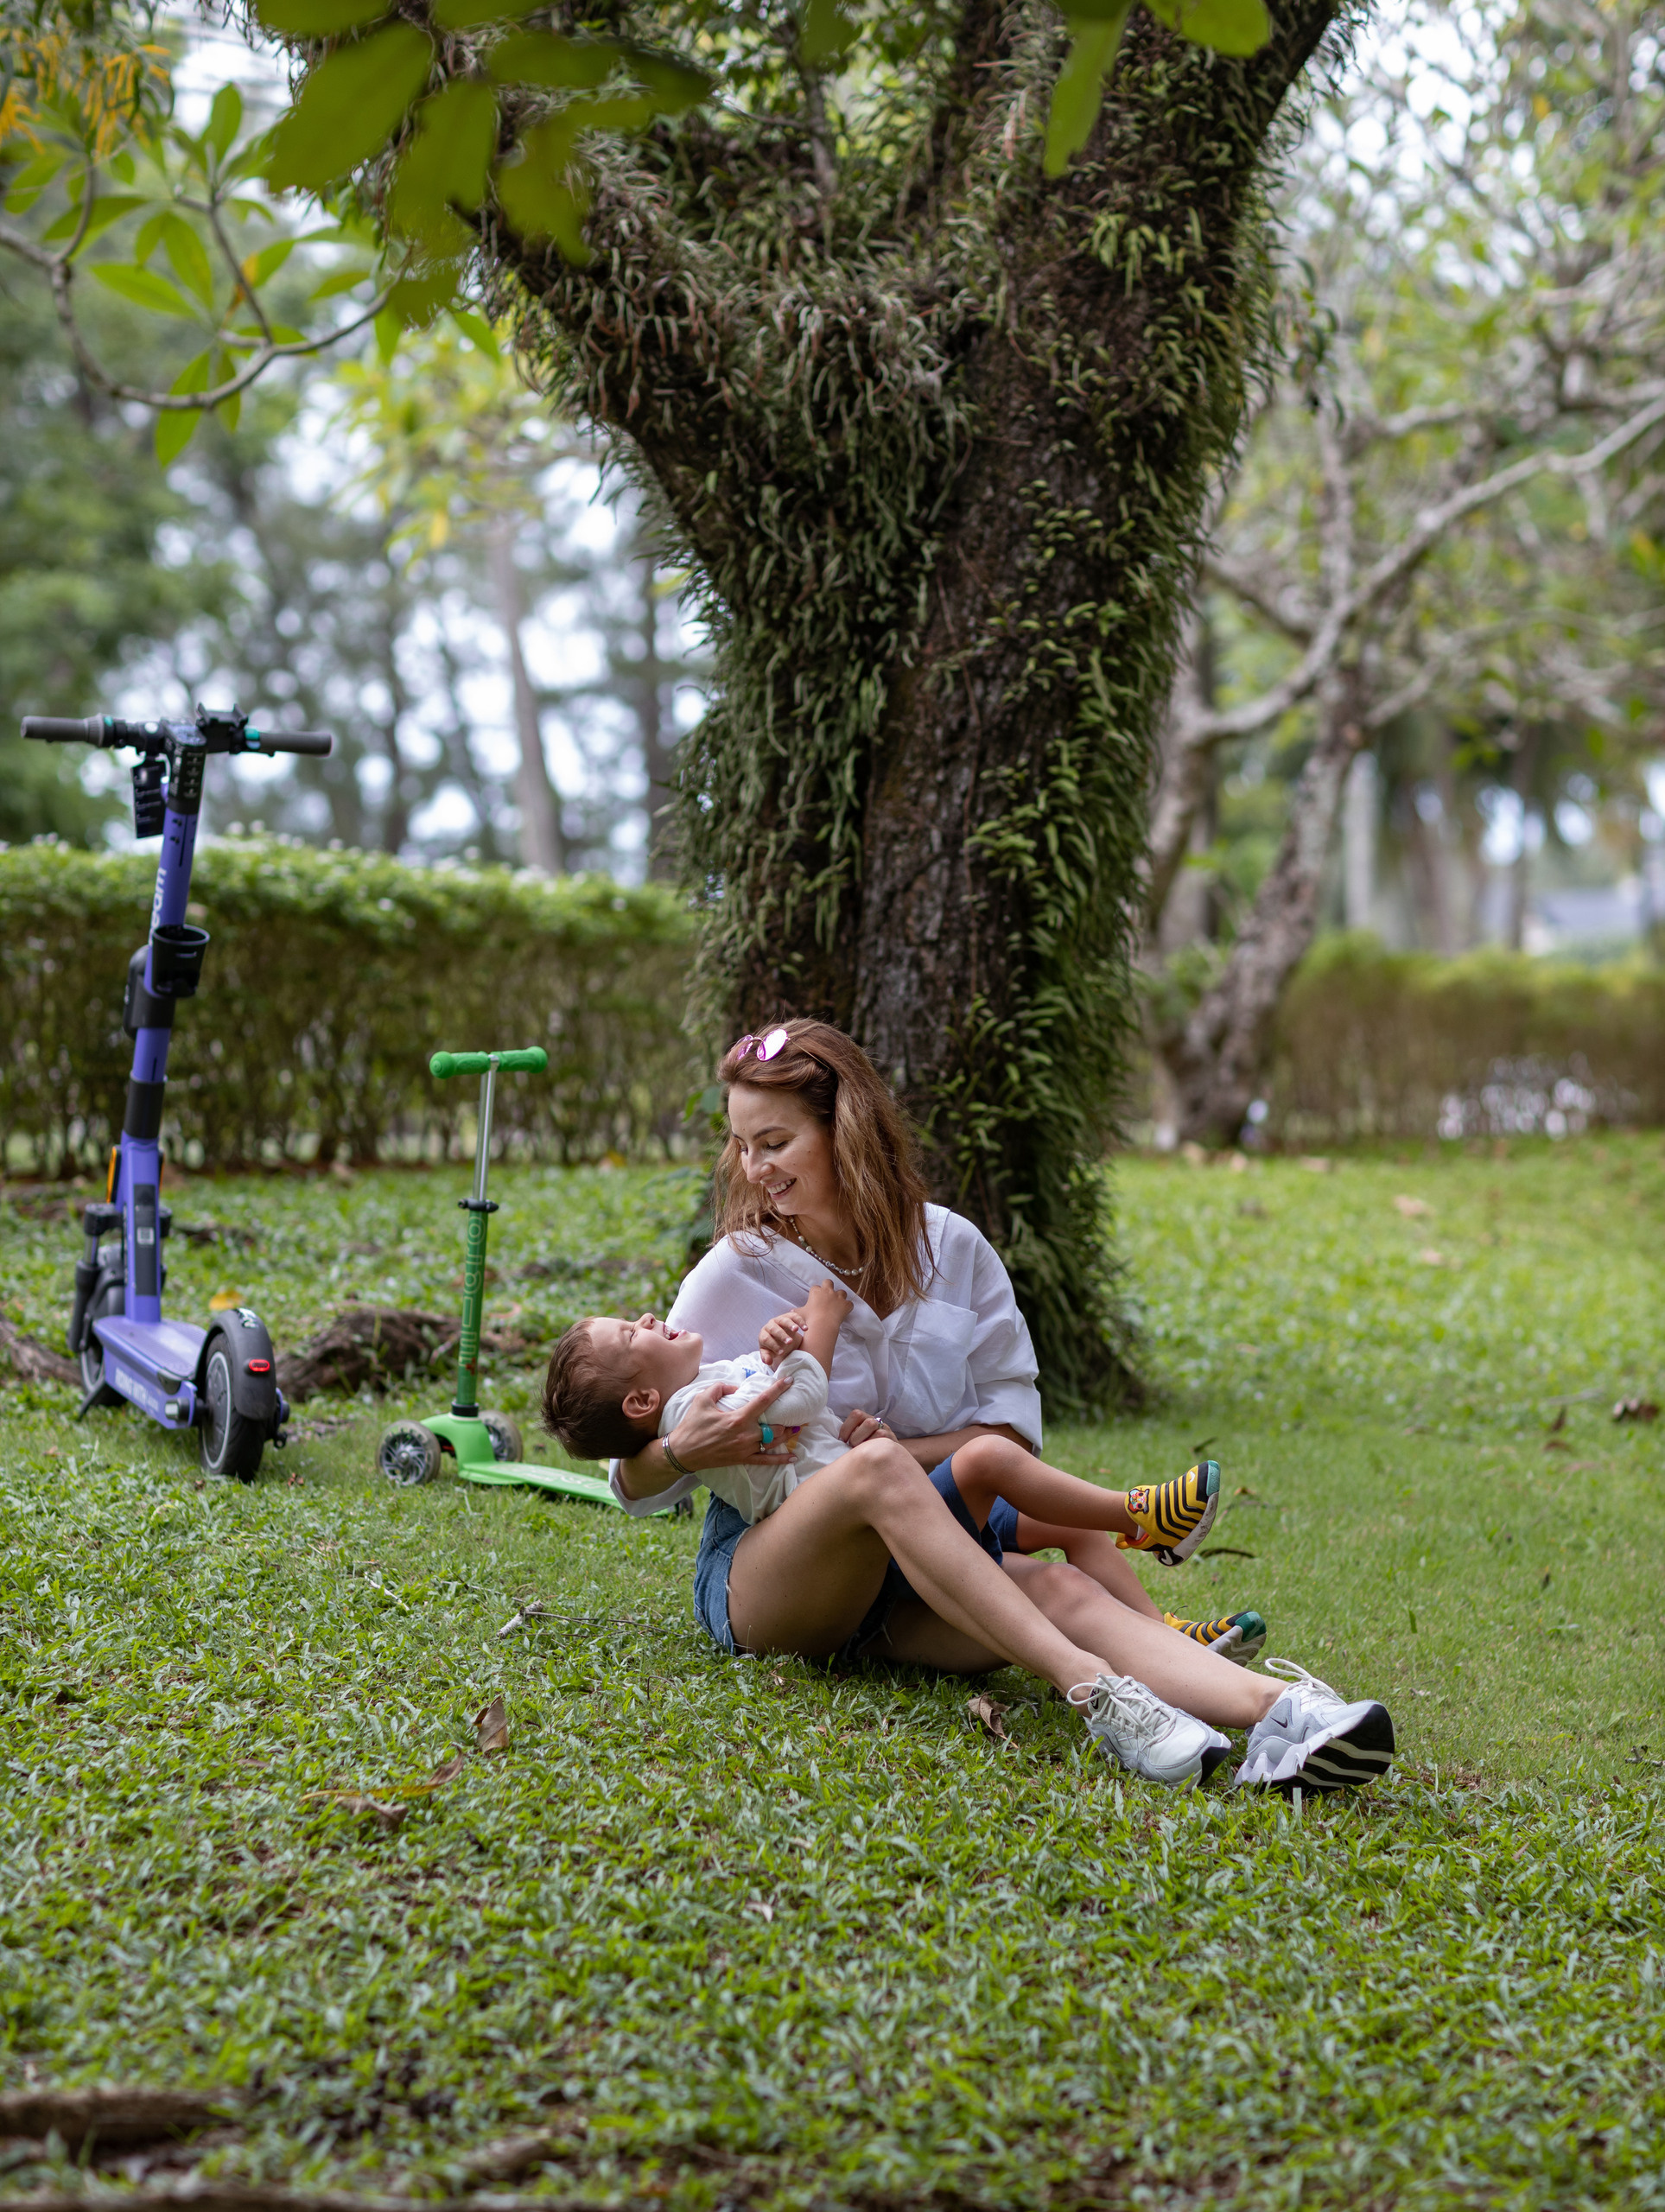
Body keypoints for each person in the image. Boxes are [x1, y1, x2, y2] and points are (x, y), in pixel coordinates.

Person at [579, 1018, 1395, 1795]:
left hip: (911, 1576)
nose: (754, 1168)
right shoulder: (733, 1274)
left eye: (776, 1142)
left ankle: (1284, 1719)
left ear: (845, 1132)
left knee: (1063, 1593)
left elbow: (1008, 1439)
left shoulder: (953, 1249)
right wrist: (689, 1453)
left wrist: (908, 1451)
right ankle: (1096, 1695)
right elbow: (632, 1476)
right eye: (743, 1145)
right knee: (874, 1469)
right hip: (770, 1581)